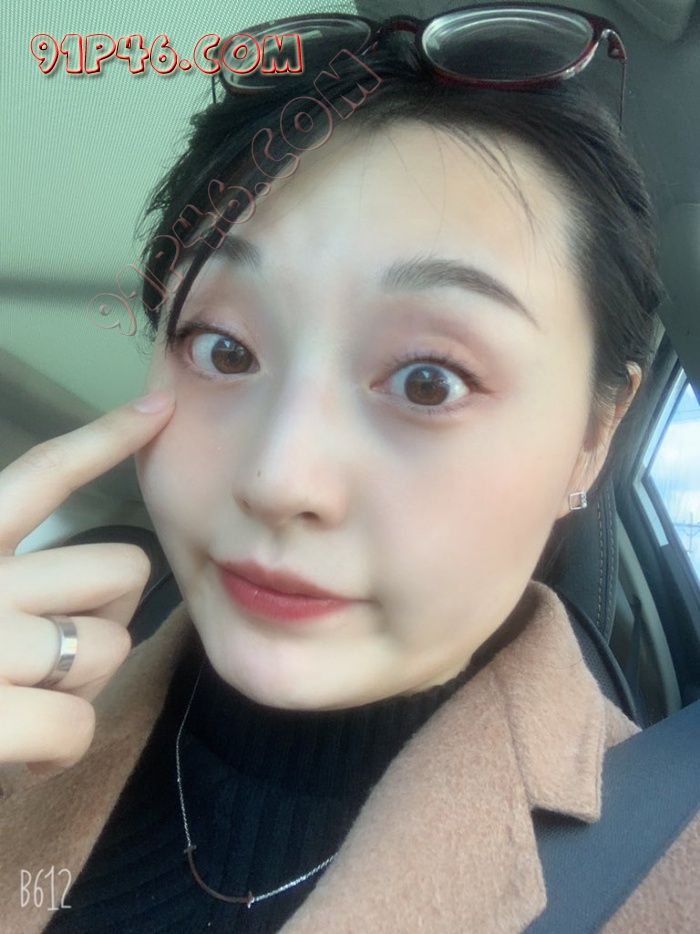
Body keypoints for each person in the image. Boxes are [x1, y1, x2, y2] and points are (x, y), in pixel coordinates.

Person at [2, 8, 699, 933]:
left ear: (594, 437)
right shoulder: (29, 711)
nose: (280, 481)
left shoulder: (668, 880)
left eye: (428, 380)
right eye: (222, 348)